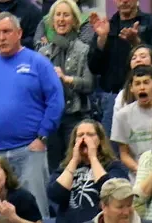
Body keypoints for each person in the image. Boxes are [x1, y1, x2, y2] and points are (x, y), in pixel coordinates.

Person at [0, 12, 63, 217]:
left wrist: (42, 136)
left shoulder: (38, 62)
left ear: (19, 33)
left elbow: (56, 101)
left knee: (37, 212)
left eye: (6, 32)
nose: (1, 37)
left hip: (30, 150)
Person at [87, 0, 152, 133]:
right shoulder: (107, 26)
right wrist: (102, 38)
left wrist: (136, 42)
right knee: (112, 149)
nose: (124, 1)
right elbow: (94, 67)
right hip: (113, 99)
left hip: (147, 96)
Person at [48, 119, 128, 223]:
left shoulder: (113, 166)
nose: (85, 139)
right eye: (80, 135)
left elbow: (114, 192)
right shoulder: (64, 169)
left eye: (90, 135)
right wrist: (74, 160)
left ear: (100, 140)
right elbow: (55, 194)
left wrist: (93, 158)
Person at [38, 0, 94, 169]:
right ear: (52, 20)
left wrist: (67, 79)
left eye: (66, 15)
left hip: (75, 116)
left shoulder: (83, 49)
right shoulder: (42, 52)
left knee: (76, 165)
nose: (61, 19)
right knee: (54, 168)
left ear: (75, 21)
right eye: (58, 15)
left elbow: (89, 84)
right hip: (50, 118)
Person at [111, 66, 152, 173]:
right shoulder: (122, 115)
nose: (142, 87)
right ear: (131, 88)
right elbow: (124, 154)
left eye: (146, 82)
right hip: (138, 174)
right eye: (137, 84)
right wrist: (141, 171)